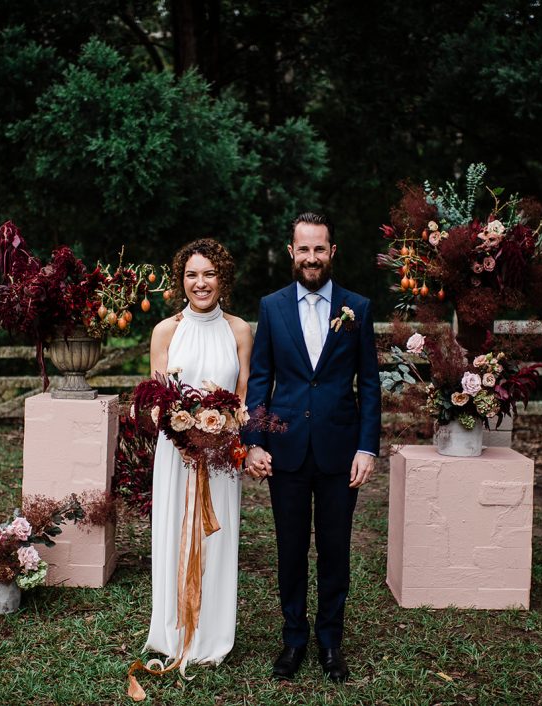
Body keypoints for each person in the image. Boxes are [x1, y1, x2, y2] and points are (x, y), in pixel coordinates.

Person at [243, 212, 382, 683]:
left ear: (332, 252)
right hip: (285, 451)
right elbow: (260, 382)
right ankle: (293, 640)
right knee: (290, 549)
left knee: (335, 550)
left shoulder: (357, 308)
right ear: (291, 252)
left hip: (341, 452)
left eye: (319, 249)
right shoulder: (272, 306)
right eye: (303, 249)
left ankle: (330, 642)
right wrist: (253, 443)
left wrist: (367, 448)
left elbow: (371, 386)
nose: (311, 257)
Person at [142, 238, 254, 671]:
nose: (200, 282)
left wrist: (222, 427)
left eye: (209, 273)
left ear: (222, 278)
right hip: (176, 457)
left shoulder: (240, 330)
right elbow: (154, 400)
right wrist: (181, 426)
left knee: (218, 539)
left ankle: (212, 636)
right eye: (192, 274)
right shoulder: (165, 331)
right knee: (173, 535)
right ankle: (173, 632)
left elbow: (243, 399)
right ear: (180, 280)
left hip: (222, 459)